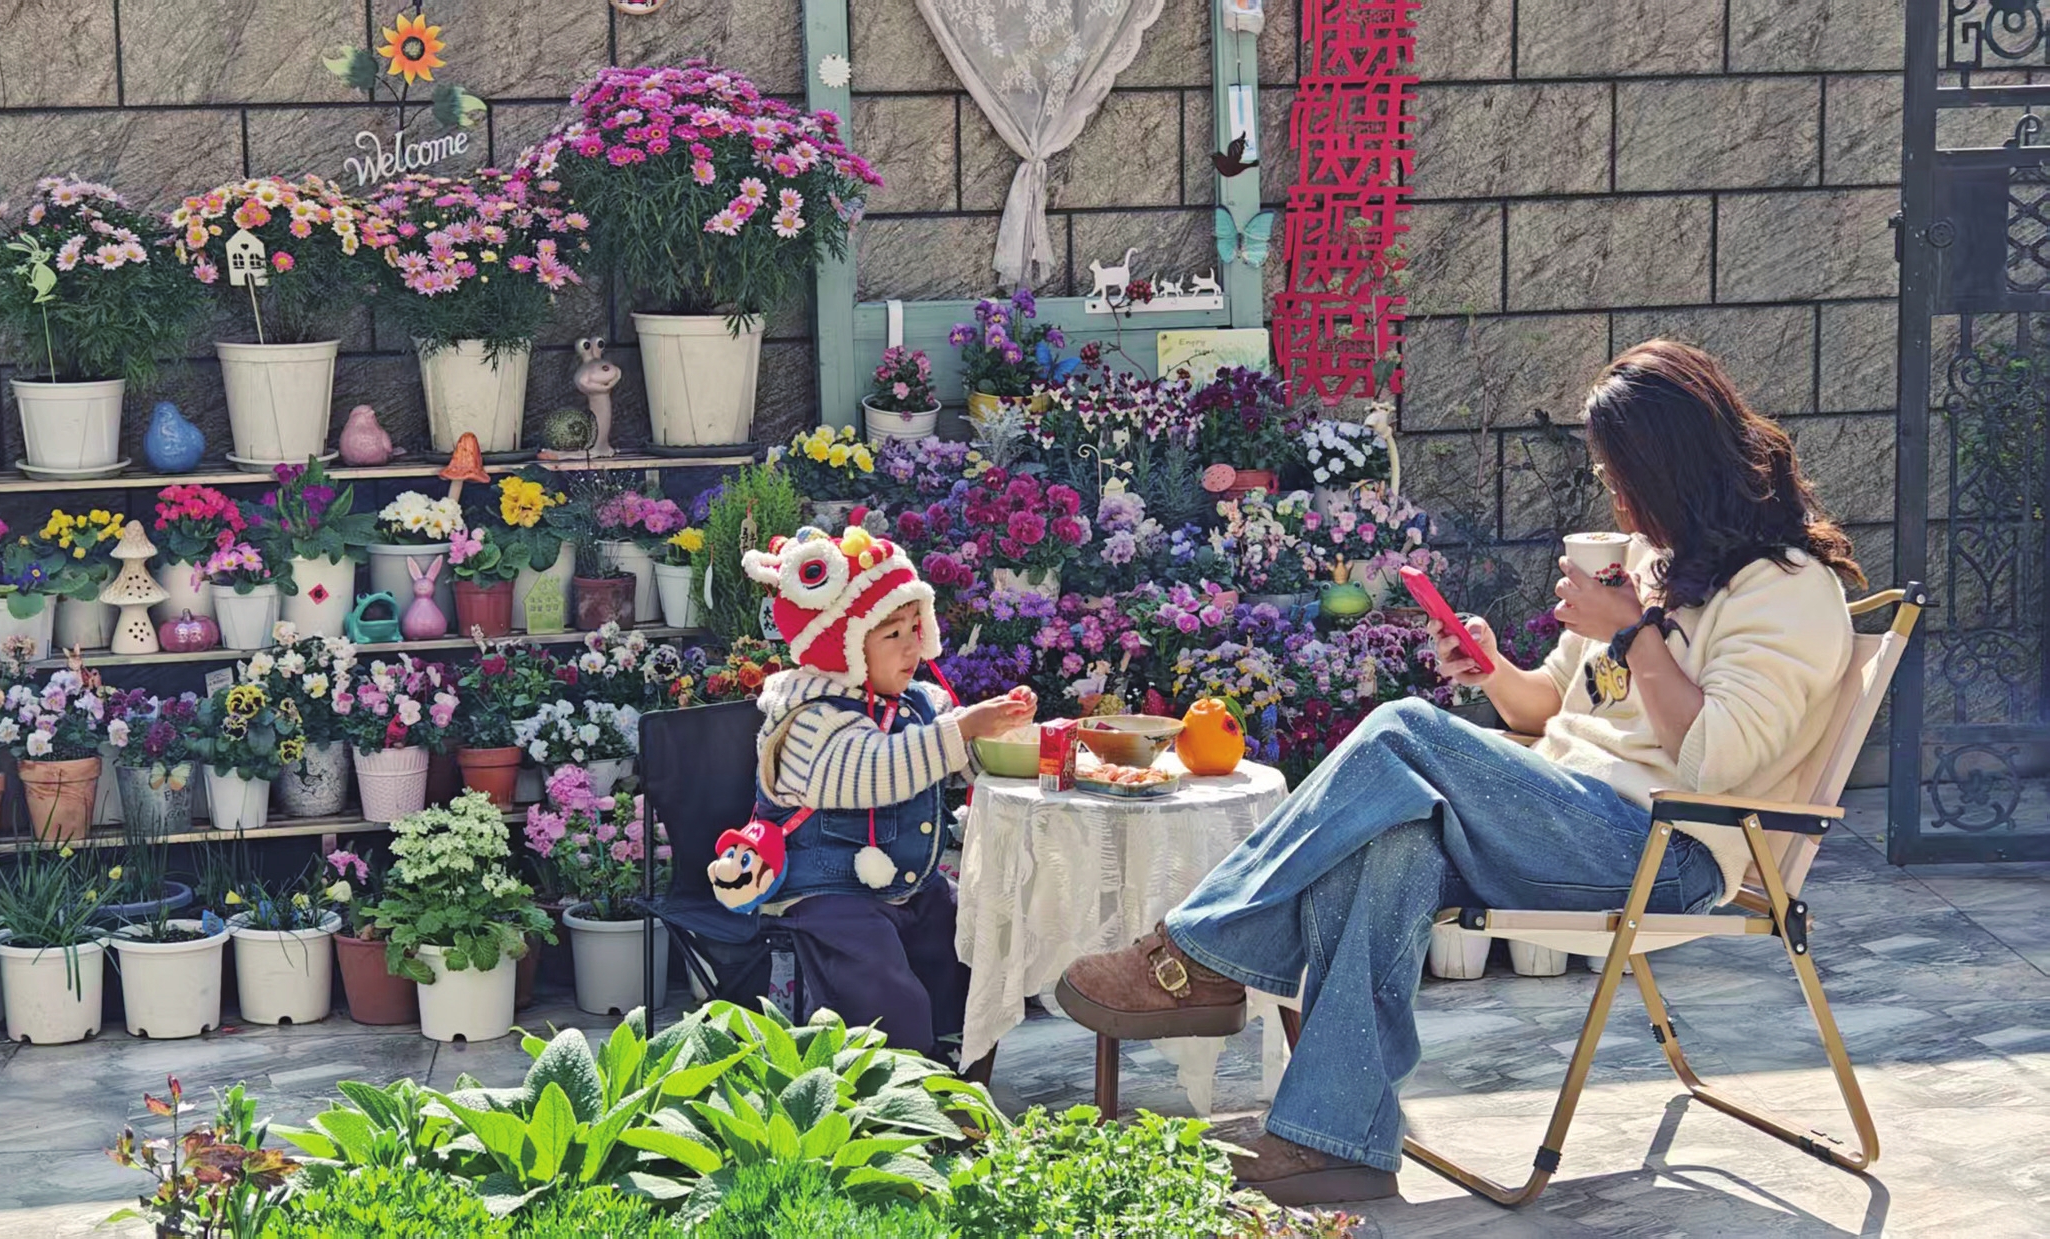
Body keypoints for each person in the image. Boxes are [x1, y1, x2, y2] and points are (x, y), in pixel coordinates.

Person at [1053, 340, 1865, 1205]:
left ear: (1675, 469)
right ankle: (1331, 1138)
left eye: (1622, 476)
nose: (1616, 497)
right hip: (1564, 819)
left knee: (1402, 728)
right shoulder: (1649, 563)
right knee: (1392, 841)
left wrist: (1632, 632)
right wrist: (1489, 669)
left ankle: (1195, 953)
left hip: (1666, 853)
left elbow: (1717, 758)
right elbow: (1549, 707)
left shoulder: (1784, 590)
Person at [735, 522, 1036, 1060]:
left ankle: (953, 1056)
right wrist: (962, 730)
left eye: (915, 628)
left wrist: (996, 736)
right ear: (842, 645)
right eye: (891, 635)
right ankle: (894, 1075)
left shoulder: (917, 702)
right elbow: (872, 770)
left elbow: (946, 764)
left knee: (965, 943)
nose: (912, 647)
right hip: (826, 892)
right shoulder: (807, 718)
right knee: (884, 991)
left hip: (907, 884)